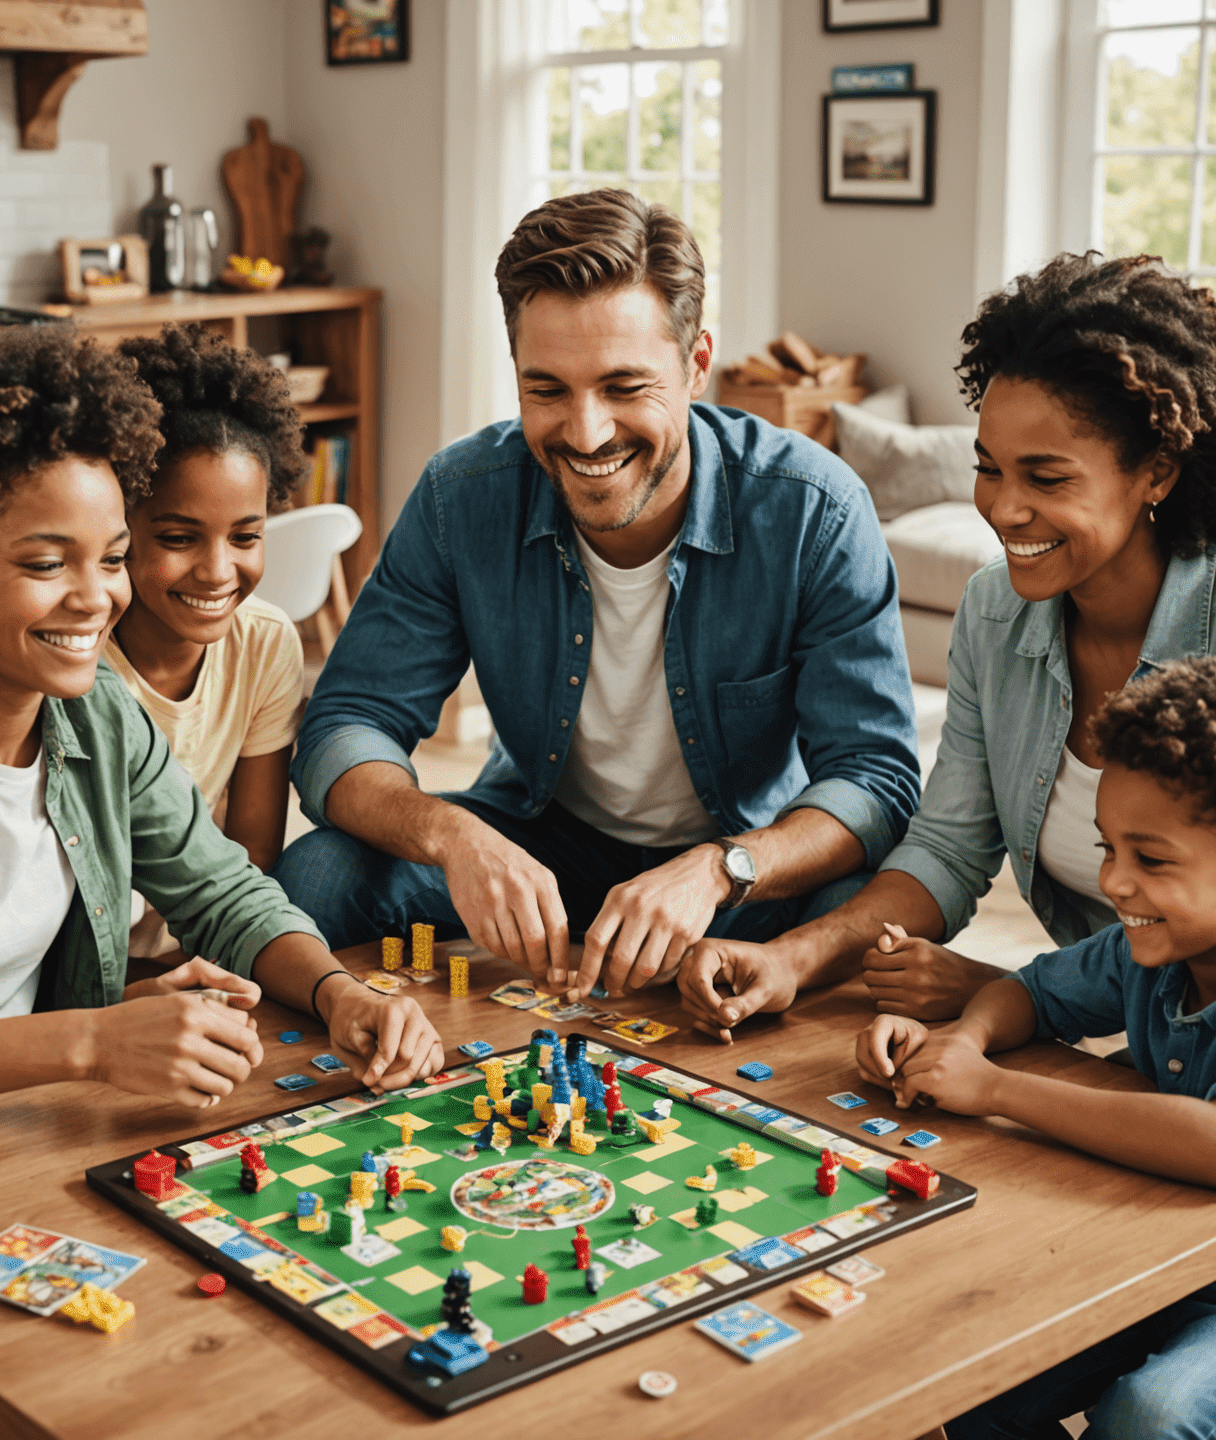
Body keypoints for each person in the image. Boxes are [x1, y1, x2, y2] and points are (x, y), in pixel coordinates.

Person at [0, 325, 443, 1438]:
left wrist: (341, 995)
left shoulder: (94, 717)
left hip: (12, 1148)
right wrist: (94, 1040)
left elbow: (226, 892)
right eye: (47, 562)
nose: (96, 597)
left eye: (108, 557)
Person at [271, 188, 920, 996]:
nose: (586, 434)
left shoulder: (813, 510)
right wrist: (452, 835)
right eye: (547, 390)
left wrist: (723, 868)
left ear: (695, 364)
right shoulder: (462, 496)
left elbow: (874, 779)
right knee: (319, 873)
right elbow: (345, 726)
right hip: (546, 845)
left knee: (870, 909)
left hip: (739, 870)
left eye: (623, 387)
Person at [679, 253, 1216, 1037]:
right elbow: (949, 847)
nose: (1004, 508)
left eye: (1047, 479)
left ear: (1156, 472)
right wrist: (794, 957)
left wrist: (1017, 993)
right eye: (989, 469)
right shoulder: (996, 611)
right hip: (1129, 1034)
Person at [857, 658, 1216, 1438]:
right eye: (1107, 848)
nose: (1114, 882)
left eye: (1150, 860)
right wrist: (959, 1038)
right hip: (1162, 1251)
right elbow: (1033, 992)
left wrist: (995, 1089)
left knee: (1147, 1417)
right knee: (974, 1369)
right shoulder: (1158, 941)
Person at [104, 324, 308, 959]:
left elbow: (254, 854)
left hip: (204, 949)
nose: (219, 572)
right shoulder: (75, 659)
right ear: (121, 528)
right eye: (179, 537)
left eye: (245, 537)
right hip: (84, 974)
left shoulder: (265, 644)